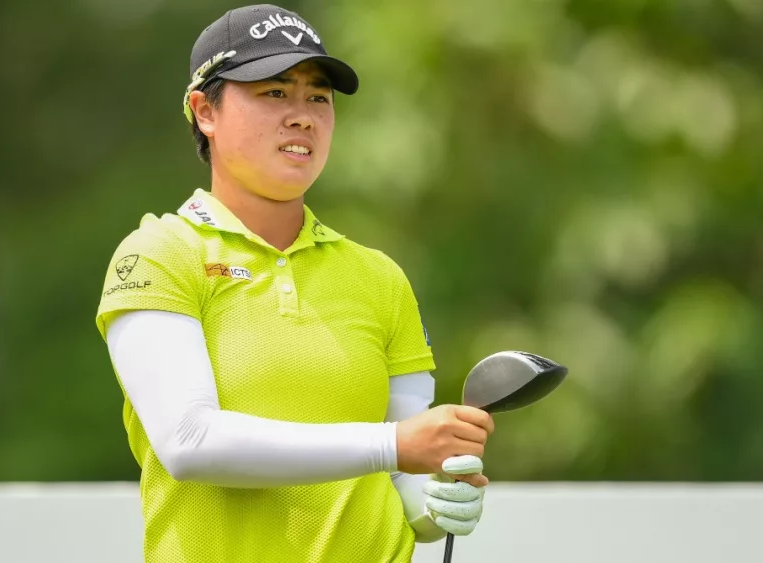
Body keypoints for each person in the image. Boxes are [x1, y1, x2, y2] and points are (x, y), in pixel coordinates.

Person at [95, 4, 495, 562]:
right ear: (205, 111)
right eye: (275, 93)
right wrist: (392, 445)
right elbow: (189, 441)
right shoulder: (160, 253)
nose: (302, 117)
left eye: (318, 98)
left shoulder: (379, 277)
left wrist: (437, 501)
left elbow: (403, 477)